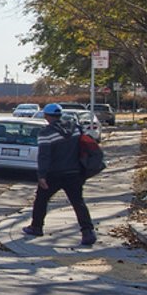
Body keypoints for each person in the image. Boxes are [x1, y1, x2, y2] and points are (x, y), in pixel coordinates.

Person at [23, 102, 96, 247]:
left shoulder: (46, 132)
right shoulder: (75, 128)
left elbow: (44, 156)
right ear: (60, 115)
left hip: (53, 174)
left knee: (41, 200)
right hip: (74, 172)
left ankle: (36, 227)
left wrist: (41, 175)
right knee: (78, 202)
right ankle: (88, 232)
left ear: (46, 116)